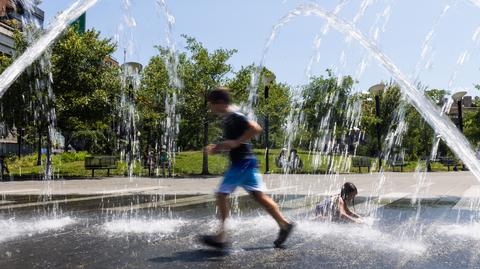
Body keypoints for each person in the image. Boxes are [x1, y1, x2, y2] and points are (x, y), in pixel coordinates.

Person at [200, 87, 295, 249]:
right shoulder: (229, 117)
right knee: (260, 196)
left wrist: (237, 142)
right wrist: (219, 147)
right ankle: (284, 224)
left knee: (221, 194)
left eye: (212, 104)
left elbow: (256, 128)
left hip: (241, 164)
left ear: (221, 102)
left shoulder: (235, 116)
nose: (211, 107)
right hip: (247, 162)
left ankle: (221, 236)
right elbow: (233, 142)